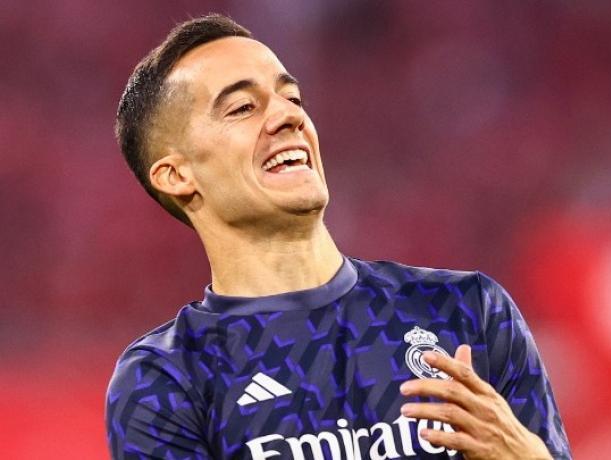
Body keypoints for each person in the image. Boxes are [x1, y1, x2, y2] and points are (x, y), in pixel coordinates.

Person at [106, 14, 571, 460]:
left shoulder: (467, 311)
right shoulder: (166, 380)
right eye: (243, 107)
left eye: (293, 98)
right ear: (176, 175)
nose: (288, 116)